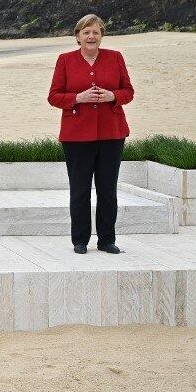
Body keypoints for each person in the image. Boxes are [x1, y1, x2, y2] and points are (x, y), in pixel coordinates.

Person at [48, 14, 134, 255]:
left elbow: (128, 91)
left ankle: (107, 240)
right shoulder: (65, 60)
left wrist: (113, 96)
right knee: (80, 190)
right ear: (78, 36)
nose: (91, 36)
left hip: (112, 133)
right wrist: (78, 98)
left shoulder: (115, 58)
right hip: (76, 136)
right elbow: (53, 96)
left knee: (108, 189)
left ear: (101, 35)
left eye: (95, 32)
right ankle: (80, 240)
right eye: (86, 32)